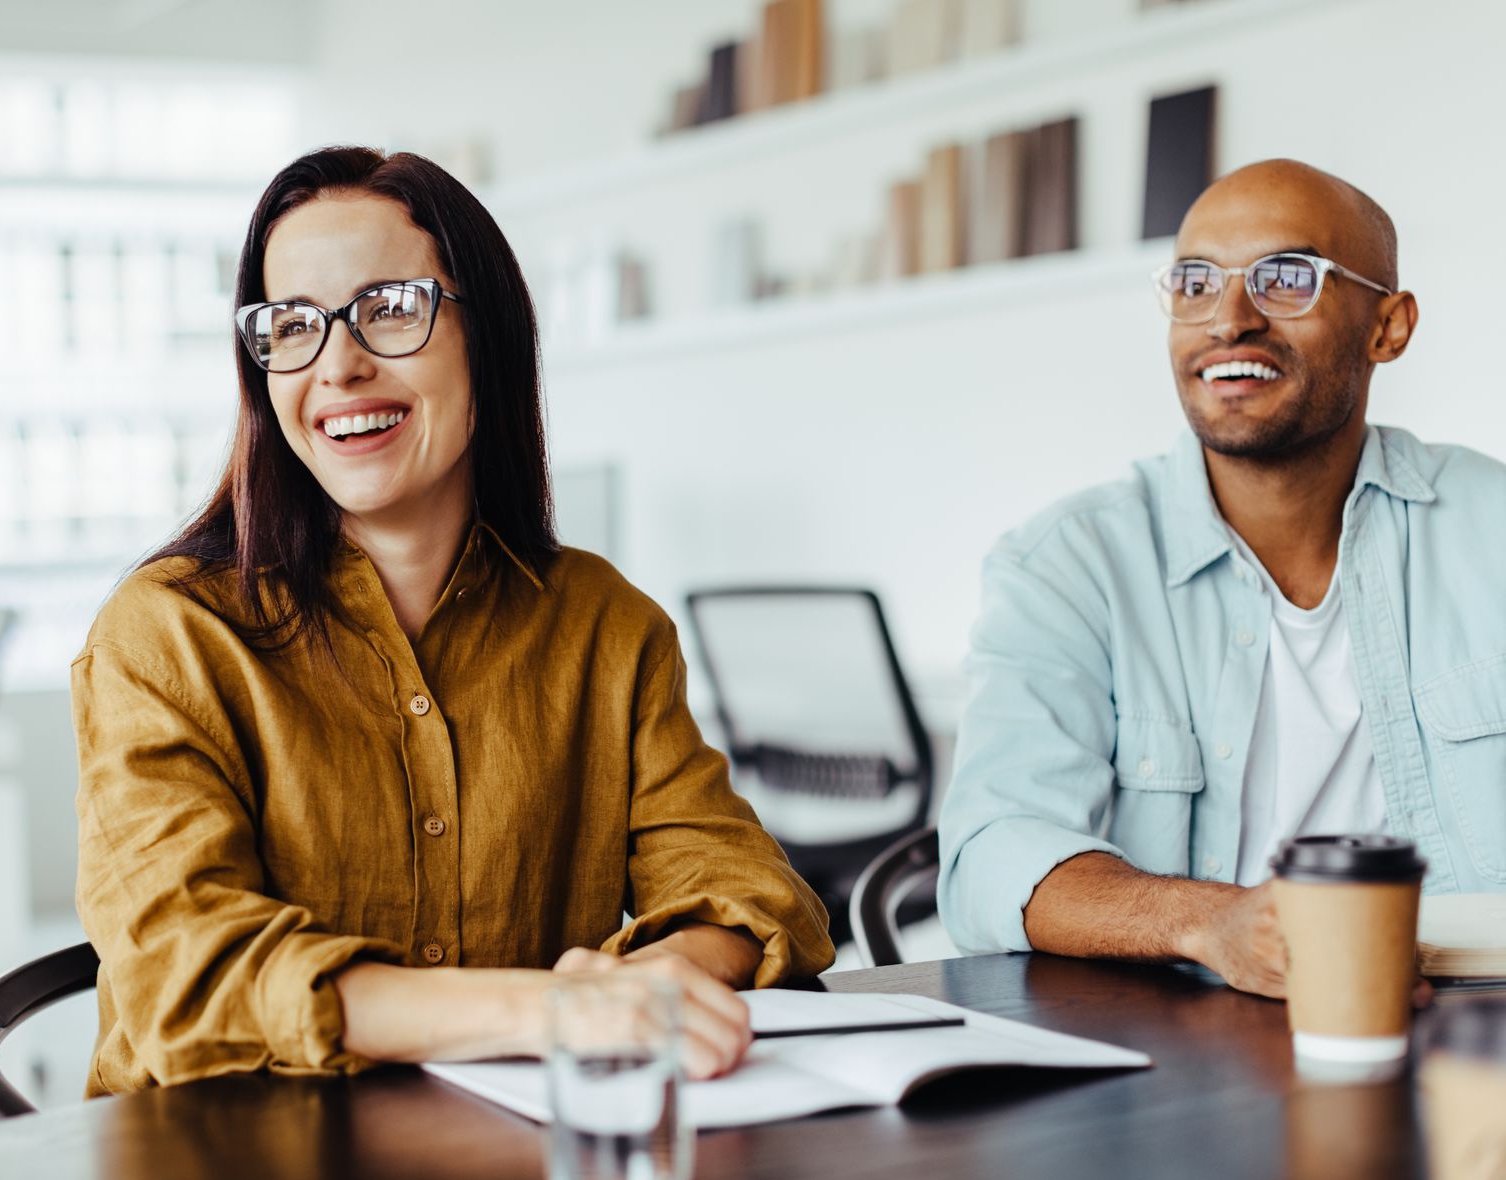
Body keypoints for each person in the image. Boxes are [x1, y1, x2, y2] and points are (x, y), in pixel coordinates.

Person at [73, 146, 832, 1095]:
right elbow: (191, 976)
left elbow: (746, 888)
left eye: (391, 309)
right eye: (293, 325)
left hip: (517, 1177)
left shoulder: (608, 628)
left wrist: (652, 983)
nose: (339, 365)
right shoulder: (166, 636)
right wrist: (551, 1011)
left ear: (490, 334)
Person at [939, 159, 1505, 997]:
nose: (1230, 318)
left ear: (1389, 326)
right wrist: (1213, 923)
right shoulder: (1066, 563)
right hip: (1183, 1045)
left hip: (1473, 1034)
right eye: (1195, 282)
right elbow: (994, 852)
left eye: (1286, 278)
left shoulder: (1492, 528)